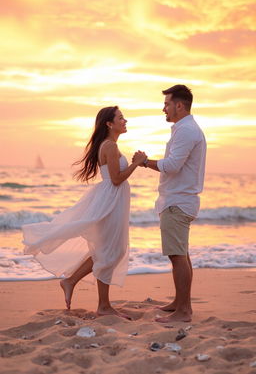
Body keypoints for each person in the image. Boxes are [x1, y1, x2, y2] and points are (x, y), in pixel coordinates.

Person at [22, 106, 146, 318]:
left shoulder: (110, 145)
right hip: (111, 201)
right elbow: (116, 179)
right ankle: (103, 306)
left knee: (107, 251)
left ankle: (70, 281)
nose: (125, 121)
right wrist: (136, 163)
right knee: (110, 251)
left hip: (112, 200)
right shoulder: (109, 146)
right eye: (121, 118)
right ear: (109, 123)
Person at [133, 85, 206, 322]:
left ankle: (184, 311)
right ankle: (180, 302)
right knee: (181, 254)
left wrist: (145, 162)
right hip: (178, 199)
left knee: (177, 256)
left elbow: (172, 165)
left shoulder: (186, 131)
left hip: (178, 201)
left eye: (167, 104)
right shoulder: (184, 129)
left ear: (179, 105)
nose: (163, 108)